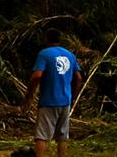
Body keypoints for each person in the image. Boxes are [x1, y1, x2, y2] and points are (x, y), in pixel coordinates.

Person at [22, 28, 83, 157]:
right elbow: (78, 78)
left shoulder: (44, 54)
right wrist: (74, 96)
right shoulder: (70, 55)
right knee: (62, 135)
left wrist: (30, 92)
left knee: (42, 135)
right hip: (65, 101)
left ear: (46, 39)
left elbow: (37, 75)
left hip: (49, 100)